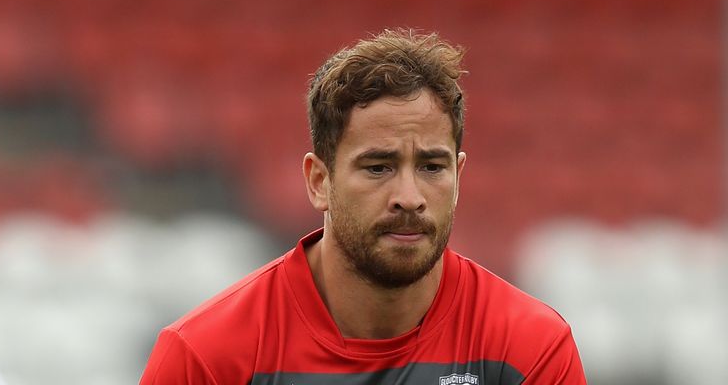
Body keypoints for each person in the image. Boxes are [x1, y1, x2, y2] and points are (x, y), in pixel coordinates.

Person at [139, 29, 587, 384]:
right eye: (378, 167)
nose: (409, 197)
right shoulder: (207, 356)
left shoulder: (529, 348)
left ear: (459, 177)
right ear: (319, 181)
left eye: (432, 167)